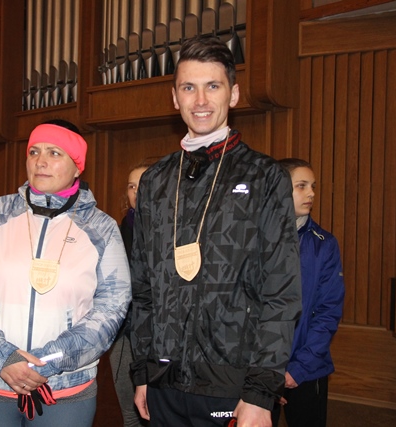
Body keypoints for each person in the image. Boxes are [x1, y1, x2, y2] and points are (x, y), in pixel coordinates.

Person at [129, 34, 302, 427]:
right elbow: (143, 287)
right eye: (189, 88)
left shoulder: (264, 177)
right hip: (164, 383)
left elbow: (281, 293)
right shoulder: (155, 180)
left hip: (234, 385)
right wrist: (143, 372)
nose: (201, 100)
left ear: (233, 94)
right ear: (175, 98)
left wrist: (260, 393)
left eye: (213, 86)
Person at [0, 119, 132, 426]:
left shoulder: (102, 228)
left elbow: (112, 306)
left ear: (77, 166)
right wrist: (2, 356)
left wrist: (47, 362)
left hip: (65, 390)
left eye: (54, 153)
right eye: (34, 151)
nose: (40, 161)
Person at [272, 158, 345, 427]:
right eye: (301, 186)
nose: (311, 193)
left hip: (308, 368)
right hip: (259, 371)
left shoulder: (324, 245)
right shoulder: (253, 239)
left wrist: (298, 369)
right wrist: (263, 371)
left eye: (313, 186)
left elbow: (328, 312)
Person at [109, 158, 157, 427]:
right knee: (131, 412)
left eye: (145, 184)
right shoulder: (116, 233)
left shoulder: (178, 231)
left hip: (162, 335)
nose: (137, 192)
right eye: (131, 186)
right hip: (125, 334)